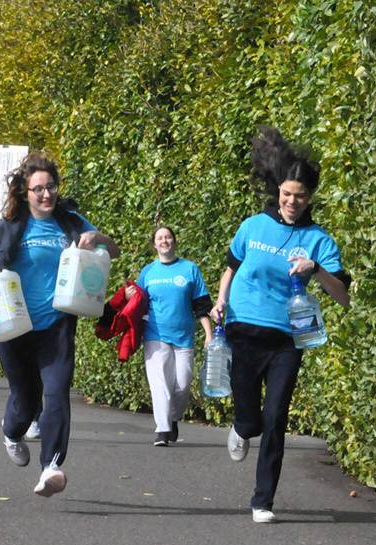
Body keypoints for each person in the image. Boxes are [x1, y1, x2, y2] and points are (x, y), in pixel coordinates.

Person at [211, 126, 352, 524]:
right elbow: (230, 268)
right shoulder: (253, 226)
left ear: (310, 198)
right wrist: (221, 300)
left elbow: (343, 295)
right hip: (242, 328)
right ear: (278, 191)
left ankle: (263, 500)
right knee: (250, 418)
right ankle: (242, 428)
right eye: (287, 194)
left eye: (300, 196)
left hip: (286, 339)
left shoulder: (318, 240)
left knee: (275, 418)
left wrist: (315, 268)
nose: (292, 201)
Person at [0, 152, 120, 497]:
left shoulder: (70, 222)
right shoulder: (11, 225)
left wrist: (97, 237)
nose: (46, 195)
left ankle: (51, 466)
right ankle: (11, 431)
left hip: (56, 324)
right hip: (15, 325)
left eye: (51, 187)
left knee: (56, 392)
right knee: (25, 399)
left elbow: (114, 250)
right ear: (26, 192)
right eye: (38, 189)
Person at [129, 225, 212, 447]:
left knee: (182, 385)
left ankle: (173, 418)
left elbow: (201, 304)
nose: (164, 241)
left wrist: (208, 334)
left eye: (168, 237)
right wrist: (129, 296)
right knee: (160, 383)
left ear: (174, 241)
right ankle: (162, 430)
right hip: (155, 334)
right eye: (159, 238)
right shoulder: (148, 272)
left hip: (184, 337)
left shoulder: (190, 269)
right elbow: (137, 303)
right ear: (154, 244)